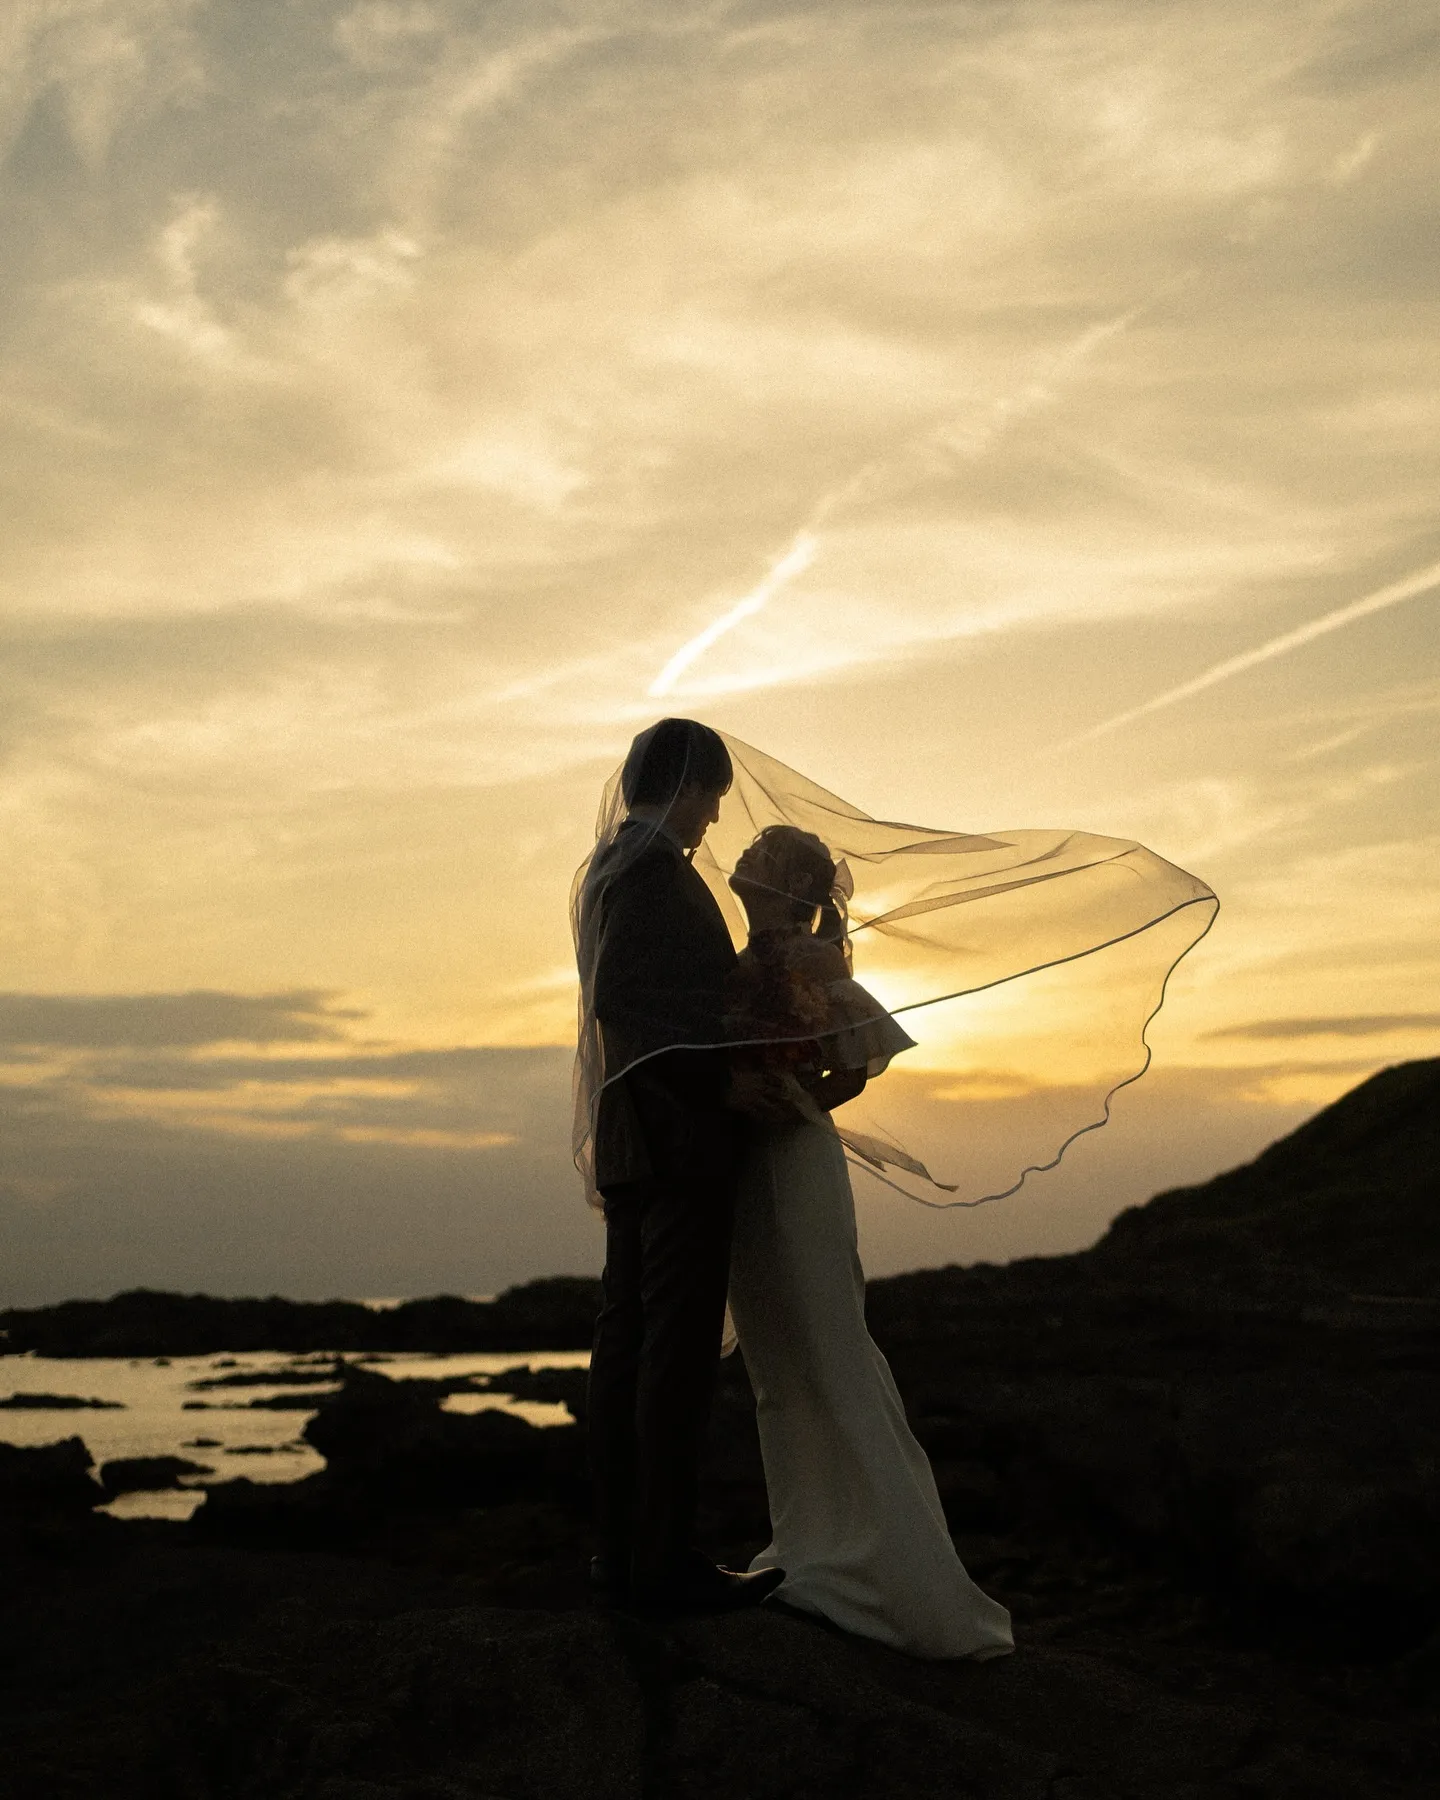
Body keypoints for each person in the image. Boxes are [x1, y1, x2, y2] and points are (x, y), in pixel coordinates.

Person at [724, 824, 1015, 1659]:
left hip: (793, 1155)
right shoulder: (737, 955)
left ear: (792, 888)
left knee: (829, 1344)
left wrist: (797, 1092)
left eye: (762, 857)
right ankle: (810, 1549)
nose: (743, 861)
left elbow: (857, 1057)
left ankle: (900, 1576)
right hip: (742, 1162)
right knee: (776, 1366)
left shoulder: (808, 965)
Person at [579, 719, 786, 1615]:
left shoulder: (624, 867)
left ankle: (627, 1556)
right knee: (671, 1351)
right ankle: (656, 1561)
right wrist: (719, 1080)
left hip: (644, 1139)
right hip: (674, 1140)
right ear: (682, 784)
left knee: (634, 1344)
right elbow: (626, 999)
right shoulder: (647, 872)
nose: (713, 815)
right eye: (709, 793)